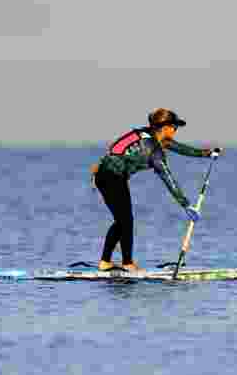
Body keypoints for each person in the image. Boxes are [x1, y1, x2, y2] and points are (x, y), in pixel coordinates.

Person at [90, 108, 222, 272]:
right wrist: (186, 205)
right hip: (111, 178)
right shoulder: (154, 151)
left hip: (106, 175)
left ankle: (105, 262)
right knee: (125, 221)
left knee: (122, 220)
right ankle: (127, 263)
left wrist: (206, 153)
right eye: (174, 127)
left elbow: (179, 148)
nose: (175, 130)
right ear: (165, 127)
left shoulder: (147, 134)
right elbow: (168, 179)